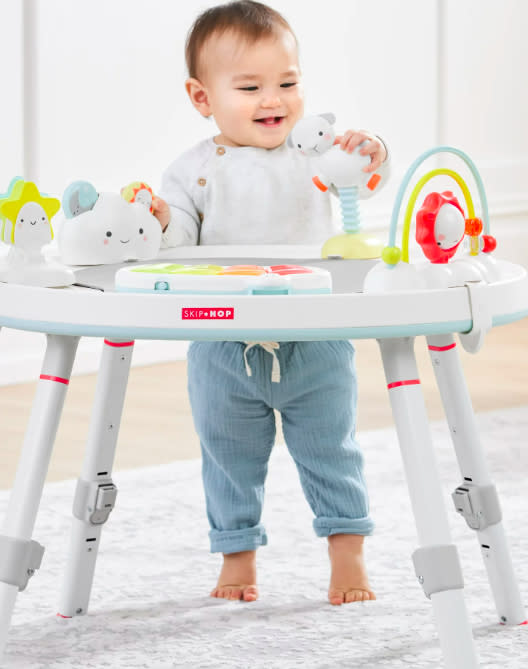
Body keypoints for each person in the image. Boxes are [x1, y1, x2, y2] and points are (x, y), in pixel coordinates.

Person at [151, 0, 389, 605]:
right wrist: (155, 220)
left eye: (287, 82)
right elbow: (174, 241)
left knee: (331, 449)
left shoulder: (315, 154)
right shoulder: (193, 170)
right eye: (250, 86)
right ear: (203, 98)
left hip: (314, 333)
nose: (273, 99)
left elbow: (364, 174)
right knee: (227, 454)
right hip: (222, 340)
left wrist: (373, 149)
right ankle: (237, 557)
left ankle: (347, 556)